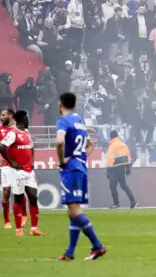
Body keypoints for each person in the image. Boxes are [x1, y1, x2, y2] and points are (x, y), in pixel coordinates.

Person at [56, 92, 107, 260]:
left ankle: (98, 246)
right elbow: (91, 144)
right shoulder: (79, 122)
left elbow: (59, 141)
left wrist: (62, 161)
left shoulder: (63, 121)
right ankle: (70, 252)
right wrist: (81, 159)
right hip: (81, 168)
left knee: (74, 210)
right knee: (73, 211)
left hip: (71, 170)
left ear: (60, 104)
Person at [0, 110, 44, 236]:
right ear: (23, 119)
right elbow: (2, 147)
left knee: (33, 197)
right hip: (17, 171)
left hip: (29, 171)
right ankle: (18, 229)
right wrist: (11, 162)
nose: (28, 119)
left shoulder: (26, 132)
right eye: (27, 117)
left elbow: (32, 148)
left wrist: (32, 162)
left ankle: (34, 228)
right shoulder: (13, 133)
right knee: (18, 199)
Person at [106, 130, 137, 209]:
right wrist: (128, 168)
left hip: (114, 168)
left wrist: (108, 171)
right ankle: (133, 201)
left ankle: (116, 204)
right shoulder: (123, 144)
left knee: (112, 186)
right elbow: (128, 157)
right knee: (123, 185)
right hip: (122, 168)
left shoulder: (112, 146)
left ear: (111, 137)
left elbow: (110, 159)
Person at [1, 108, 16, 229]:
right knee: (6, 191)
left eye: (3, 115)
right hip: (5, 164)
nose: (1, 117)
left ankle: (22, 216)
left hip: (18, 164)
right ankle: (6, 220)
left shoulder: (18, 129)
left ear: (11, 116)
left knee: (20, 192)